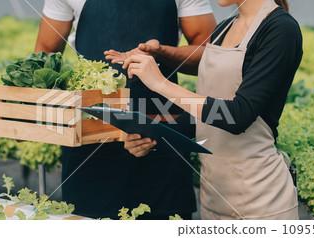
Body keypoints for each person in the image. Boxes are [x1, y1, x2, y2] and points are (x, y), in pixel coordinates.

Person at [108, 0, 303, 219]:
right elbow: (202, 118)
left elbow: (237, 115)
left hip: (261, 202)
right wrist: (149, 135)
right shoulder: (223, 29)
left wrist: (160, 83)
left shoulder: (281, 29)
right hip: (213, 199)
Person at [35, 0, 217, 219]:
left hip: (161, 136)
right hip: (91, 146)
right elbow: (45, 52)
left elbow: (209, 53)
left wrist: (162, 53)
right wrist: (30, 114)